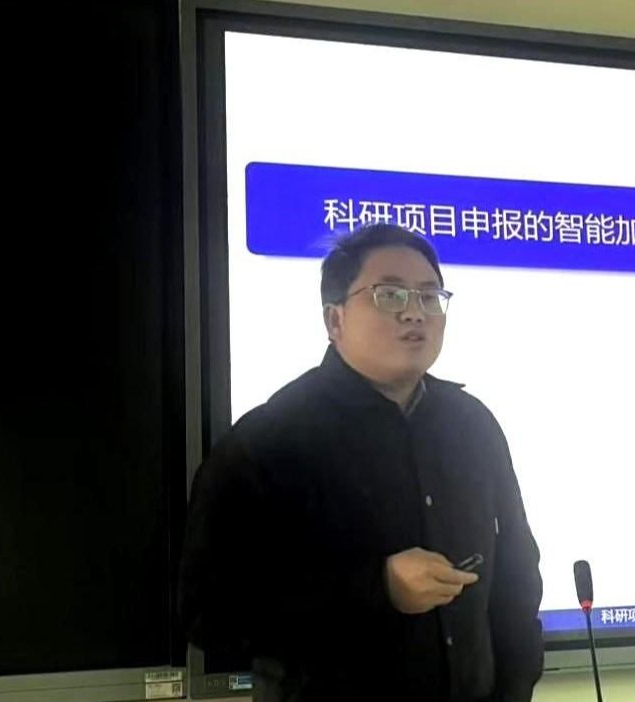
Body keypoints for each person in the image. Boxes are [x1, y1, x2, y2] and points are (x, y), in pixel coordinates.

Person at [180, 224, 544, 701]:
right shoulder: (268, 439)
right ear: (335, 320)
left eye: (430, 296)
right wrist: (378, 588)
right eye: (390, 294)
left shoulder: (473, 424)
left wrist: (515, 685)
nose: (415, 312)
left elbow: (517, 571)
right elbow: (209, 614)